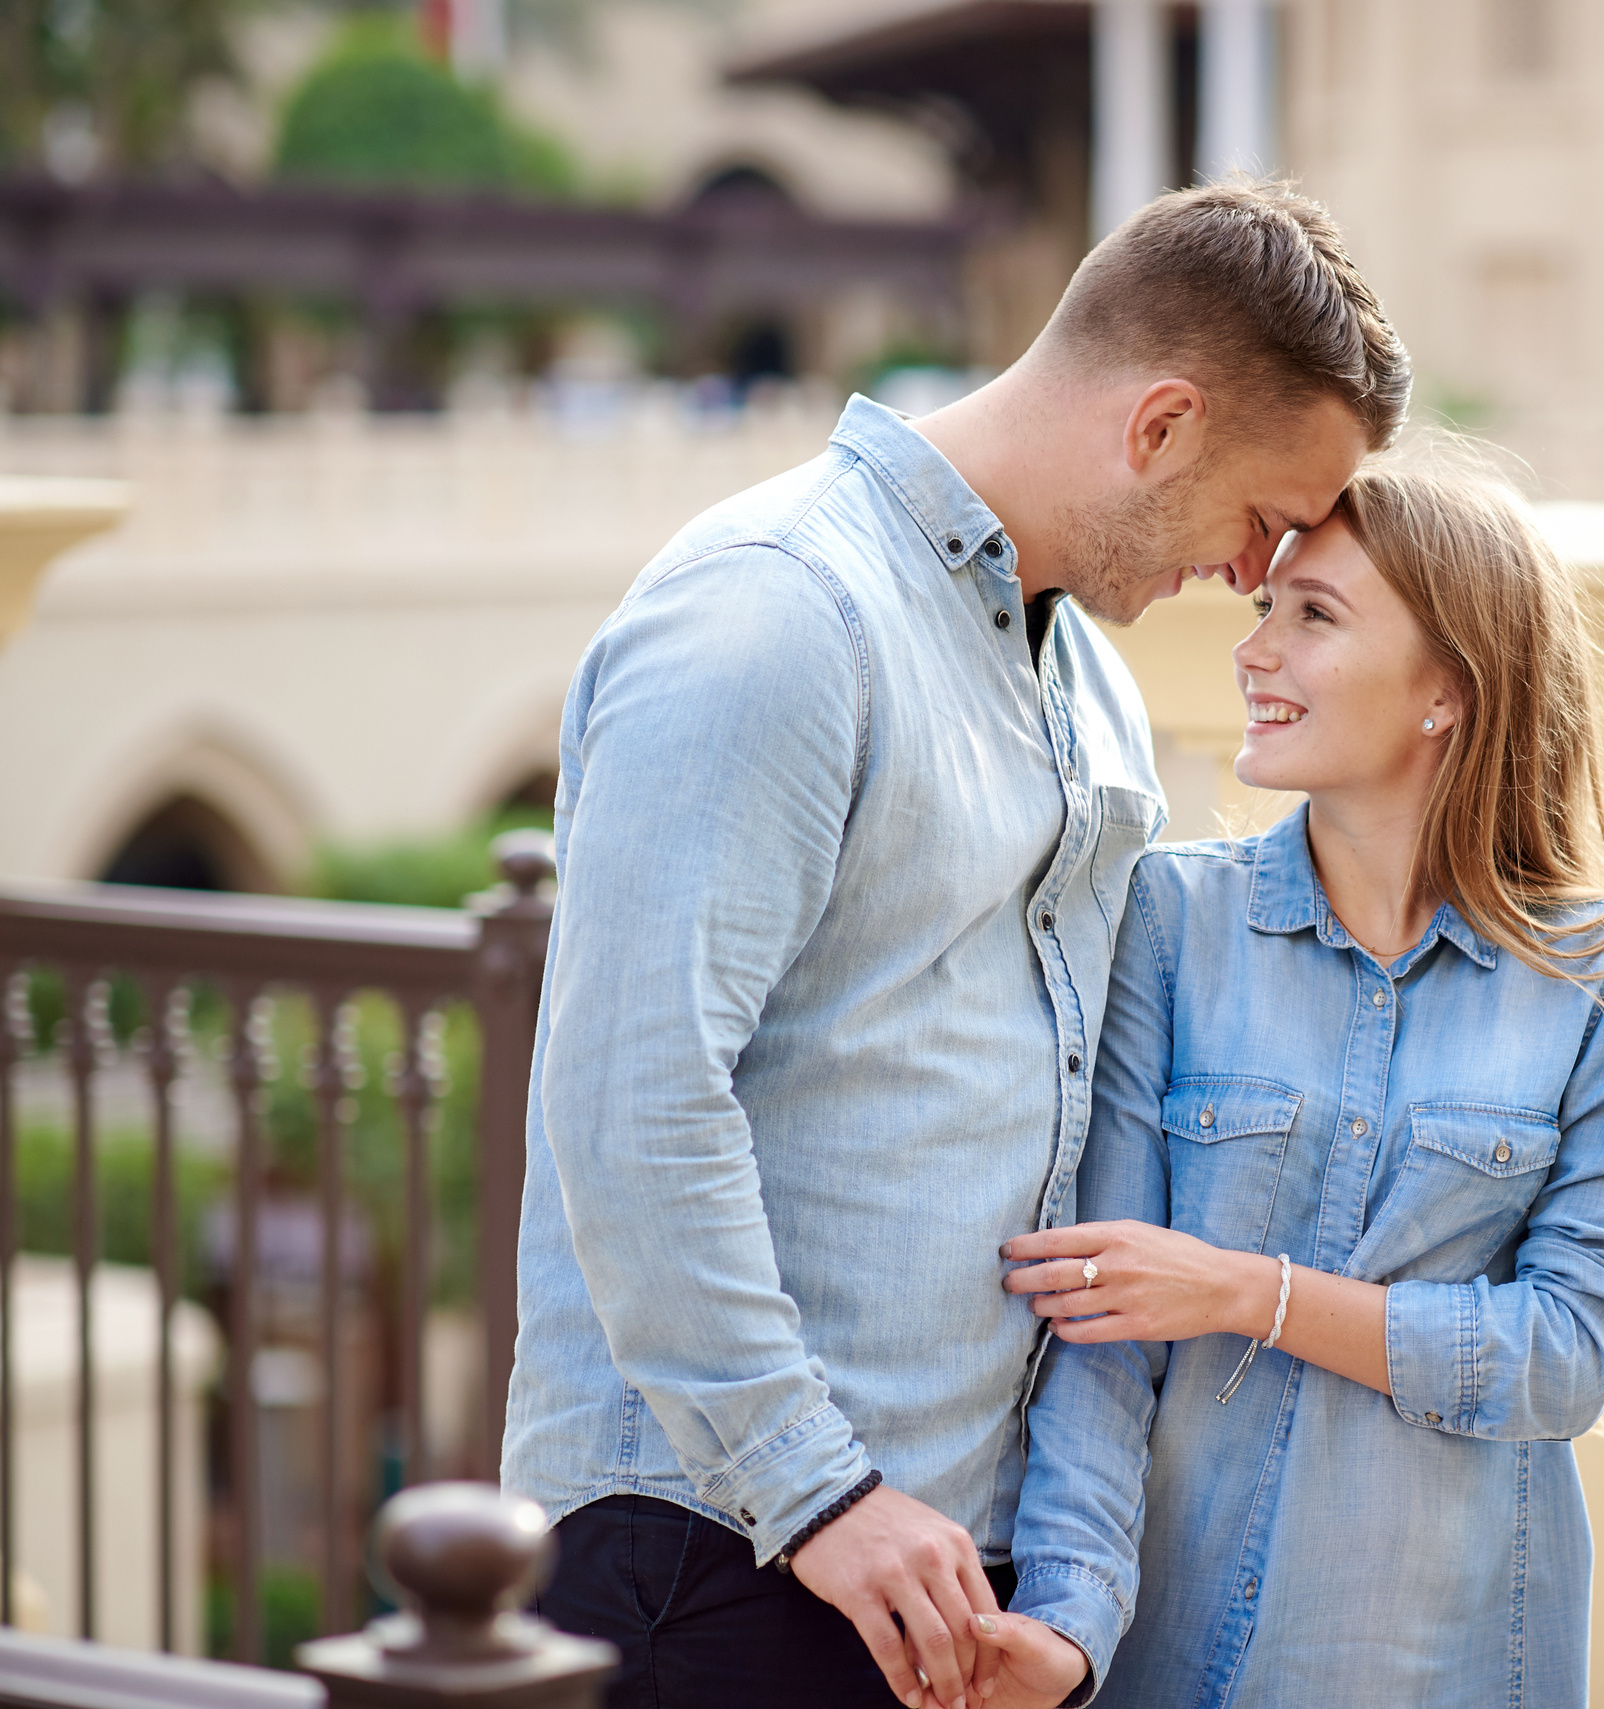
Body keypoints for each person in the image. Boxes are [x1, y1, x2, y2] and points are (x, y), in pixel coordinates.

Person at [501, 179, 1408, 1709]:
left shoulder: (1090, 688)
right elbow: (632, 1096)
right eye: (1264, 520)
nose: (1256, 574)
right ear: (1160, 423)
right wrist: (822, 1497)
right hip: (721, 1549)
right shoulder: (778, 613)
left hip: (937, 1571)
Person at [968, 466, 1604, 1709]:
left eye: (1313, 615)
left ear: (1444, 691)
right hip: (1166, 1653)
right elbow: (1099, 1328)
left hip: (1446, 1659)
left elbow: (1569, 1353)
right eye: (1265, 610)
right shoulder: (1169, 917)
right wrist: (1068, 1620)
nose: (1255, 651)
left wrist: (1246, 1291)